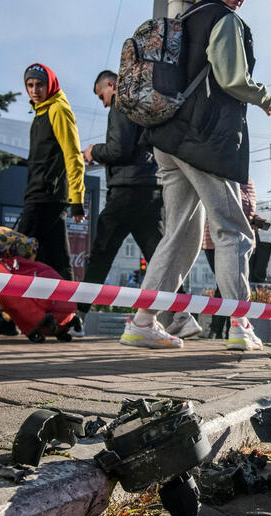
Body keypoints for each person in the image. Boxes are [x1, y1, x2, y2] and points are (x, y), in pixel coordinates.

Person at [123, 0, 271, 351]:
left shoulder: (184, 17)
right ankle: (241, 325)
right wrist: (265, 98)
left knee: (181, 235)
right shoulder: (223, 19)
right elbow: (232, 79)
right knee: (233, 230)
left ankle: (142, 322)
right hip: (202, 140)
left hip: (168, 137)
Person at [77, 70, 201, 340]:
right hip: (151, 186)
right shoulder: (145, 102)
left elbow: (118, 149)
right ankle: (181, 316)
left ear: (111, 85)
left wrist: (93, 152)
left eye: (102, 96)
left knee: (101, 255)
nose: (104, 103)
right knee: (160, 255)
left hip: (126, 190)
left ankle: (77, 318)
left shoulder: (122, 102)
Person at [0, 63, 88, 336]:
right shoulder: (41, 112)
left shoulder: (58, 109)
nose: (35, 90)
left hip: (45, 197)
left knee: (10, 254)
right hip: (43, 196)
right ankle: (70, 320)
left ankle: (7, 317)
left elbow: (74, 156)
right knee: (57, 261)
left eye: (39, 84)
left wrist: (77, 200)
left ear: (50, 84)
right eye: (30, 85)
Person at [201, 178, 267, 339]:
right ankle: (226, 329)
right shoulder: (225, 174)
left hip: (238, 238)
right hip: (220, 238)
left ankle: (224, 330)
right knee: (225, 284)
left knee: (227, 285)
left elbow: (244, 208)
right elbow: (229, 207)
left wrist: (254, 219)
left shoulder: (247, 179)